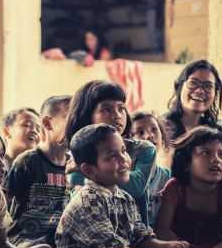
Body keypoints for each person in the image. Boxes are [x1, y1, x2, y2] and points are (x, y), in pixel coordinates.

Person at [55, 124, 197, 248]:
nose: (123, 160)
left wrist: (165, 245)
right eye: (112, 156)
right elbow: (109, 247)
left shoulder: (124, 197)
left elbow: (139, 235)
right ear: (89, 170)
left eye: (123, 151)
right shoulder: (88, 200)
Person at [65, 81, 155, 225]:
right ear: (87, 115)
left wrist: (86, 172)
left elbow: (136, 187)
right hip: (92, 231)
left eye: (121, 108)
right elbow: (77, 184)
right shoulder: (74, 153)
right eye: (106, 109)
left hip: (137, 233)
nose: (117, 115)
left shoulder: (143, 149)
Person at [5, 95, 71, 248]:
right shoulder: (27, 162)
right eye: (70, 118)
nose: (78, 125)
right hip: (25, 241)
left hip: (61, 242)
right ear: (48, 123)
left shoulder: (76, 166)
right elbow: (3, 207)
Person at [162, 59, 222, 142]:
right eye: (193, 83)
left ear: (215, 93)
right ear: (179, 87)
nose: (199, 91)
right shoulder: (160, 129)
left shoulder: (219, 134)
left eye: (208, 86)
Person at [130, 111, 172, 226]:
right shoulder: (125, 179)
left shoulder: (168, 177)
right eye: (140, 132)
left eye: (154, 129)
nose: (149, 136)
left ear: (162, 137)